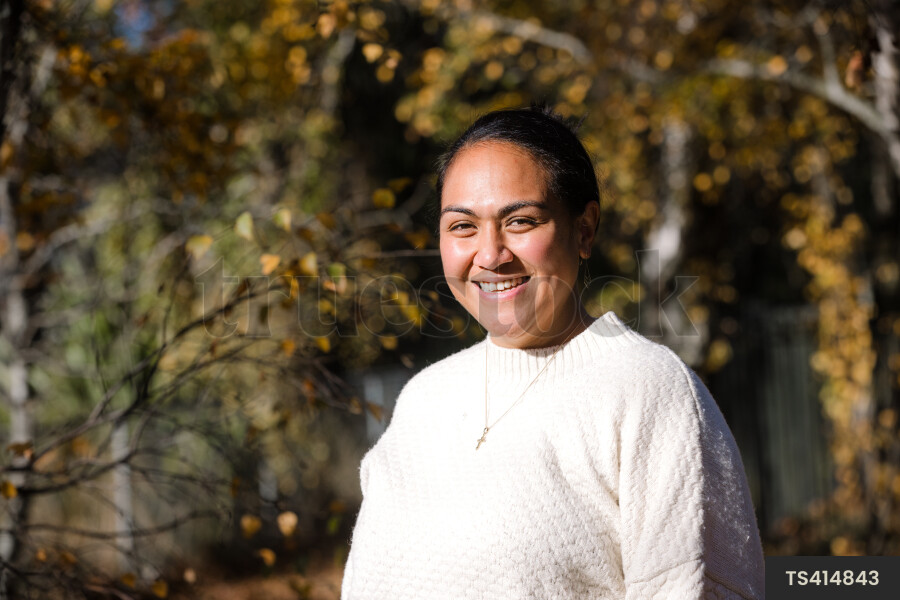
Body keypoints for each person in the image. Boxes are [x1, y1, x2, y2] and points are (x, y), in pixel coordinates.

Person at [341, 106, 764, 599]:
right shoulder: (423, 401)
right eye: (462, 226)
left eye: (521, 221)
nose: (491, 254)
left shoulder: (648, 391)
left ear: (583, 231)